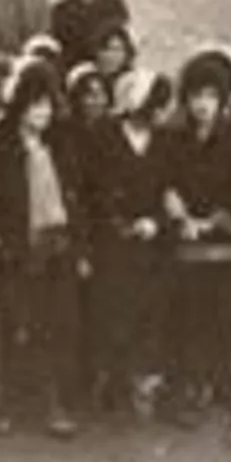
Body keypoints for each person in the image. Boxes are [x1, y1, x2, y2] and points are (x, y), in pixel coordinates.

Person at [161, 51, 231, 435]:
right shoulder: (174, 139)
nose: (202, 104)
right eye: (195, 96)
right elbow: (166, 181)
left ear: (223, 100)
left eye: (209, 96)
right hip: (189, 243)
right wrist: (177, 212)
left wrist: (214, 221)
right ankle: (187, 392)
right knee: (190, 318)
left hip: (230, 242)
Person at [0, 62, 85, 439]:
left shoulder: (60, 142)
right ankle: (8, 404)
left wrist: (78, 245)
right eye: (34, 105)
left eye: (47, 105)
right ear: (20, 106)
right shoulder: (3, 143)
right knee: (16, 324)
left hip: (57, 243)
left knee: (56, 325)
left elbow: (75, 197)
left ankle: (53, 403)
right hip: (18, 245)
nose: (41, 113)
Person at [81, 69, 172, 415]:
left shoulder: (163, 141)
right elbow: (92, 190)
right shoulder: (104, 135)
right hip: (111, 239)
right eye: (159, 106)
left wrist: (156, 222)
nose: (163, 114)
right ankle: (109, 381)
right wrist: (116, 222)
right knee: (110, 310)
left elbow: (168, 189)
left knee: (143, 311)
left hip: (149, 241)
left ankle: (134, 380)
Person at [50, 0, 130, 74]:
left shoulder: (113, 3)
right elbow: (60, 38)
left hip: (109, 61)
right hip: (75, 63)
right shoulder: (62, 8)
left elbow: (120, 32)